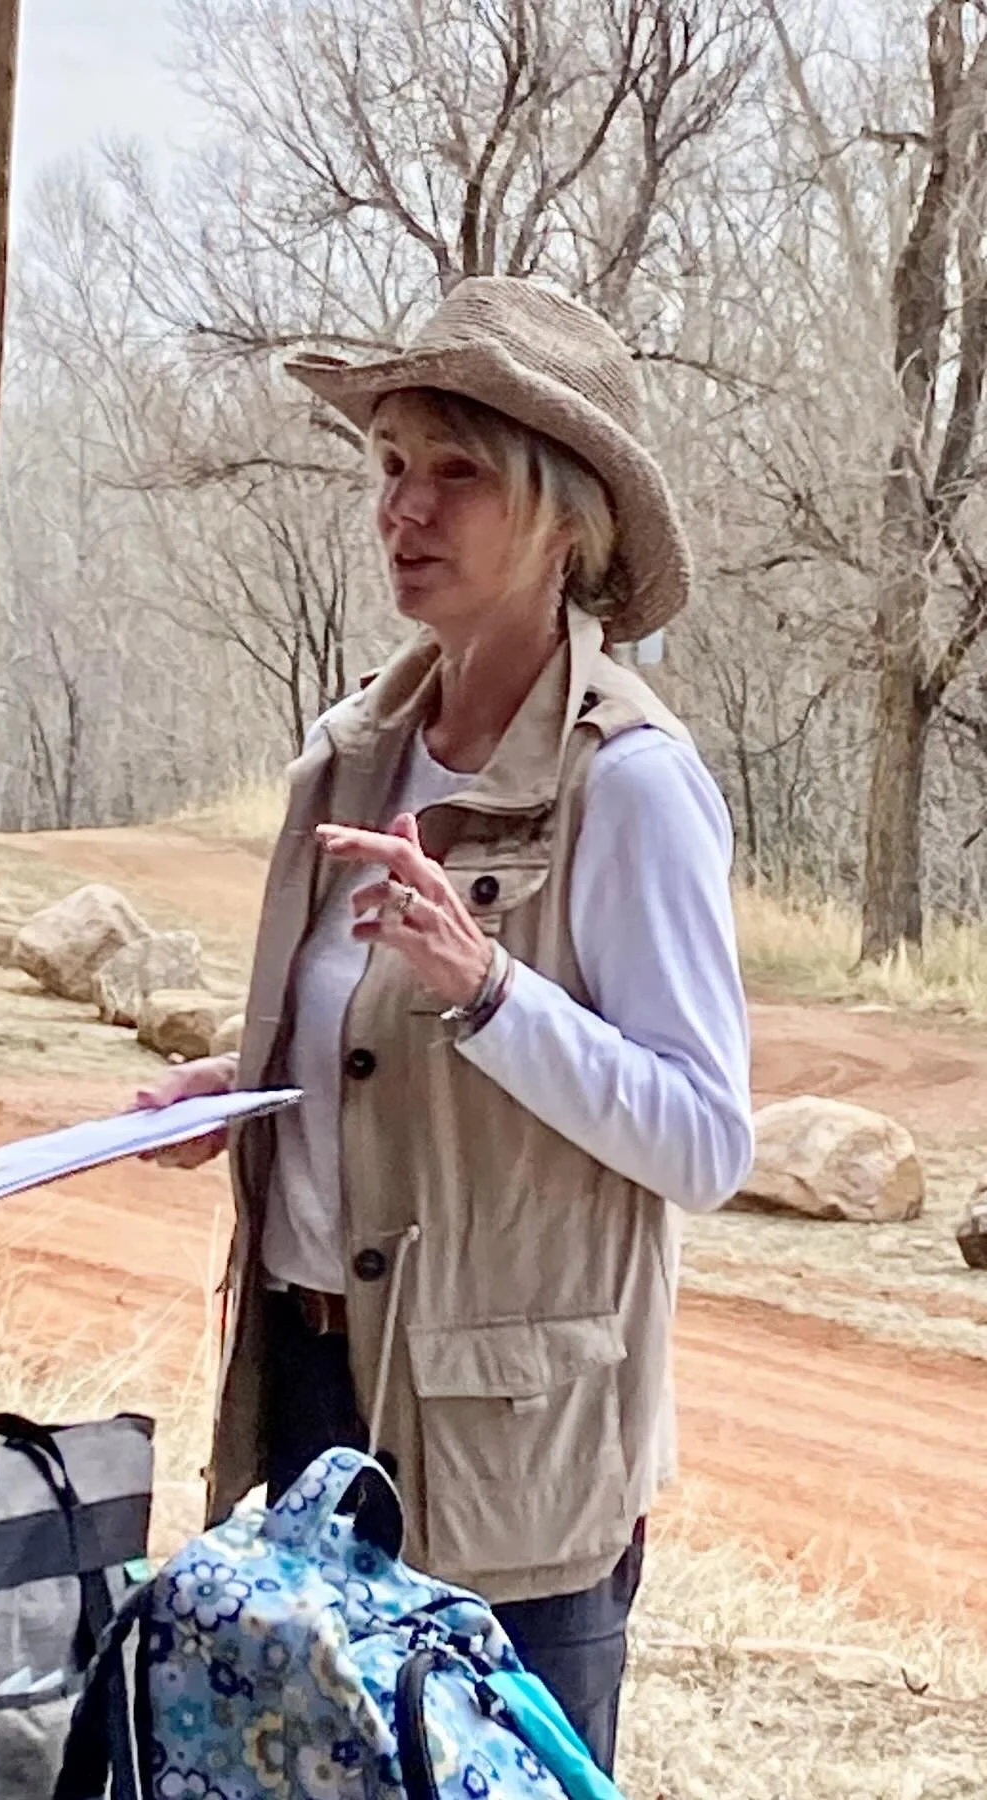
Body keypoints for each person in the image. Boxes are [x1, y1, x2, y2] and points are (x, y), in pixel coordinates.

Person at [139, 276, 753, 1776]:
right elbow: (373, 1065)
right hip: (306, 1403)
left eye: (457, 471)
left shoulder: (629, 784)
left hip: (507, 1456)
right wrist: (251, 1094)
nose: (404, 508)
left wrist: (488, 990)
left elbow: (707, 1140)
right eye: (392, 466)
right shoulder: (350, 756)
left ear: (565, 515)